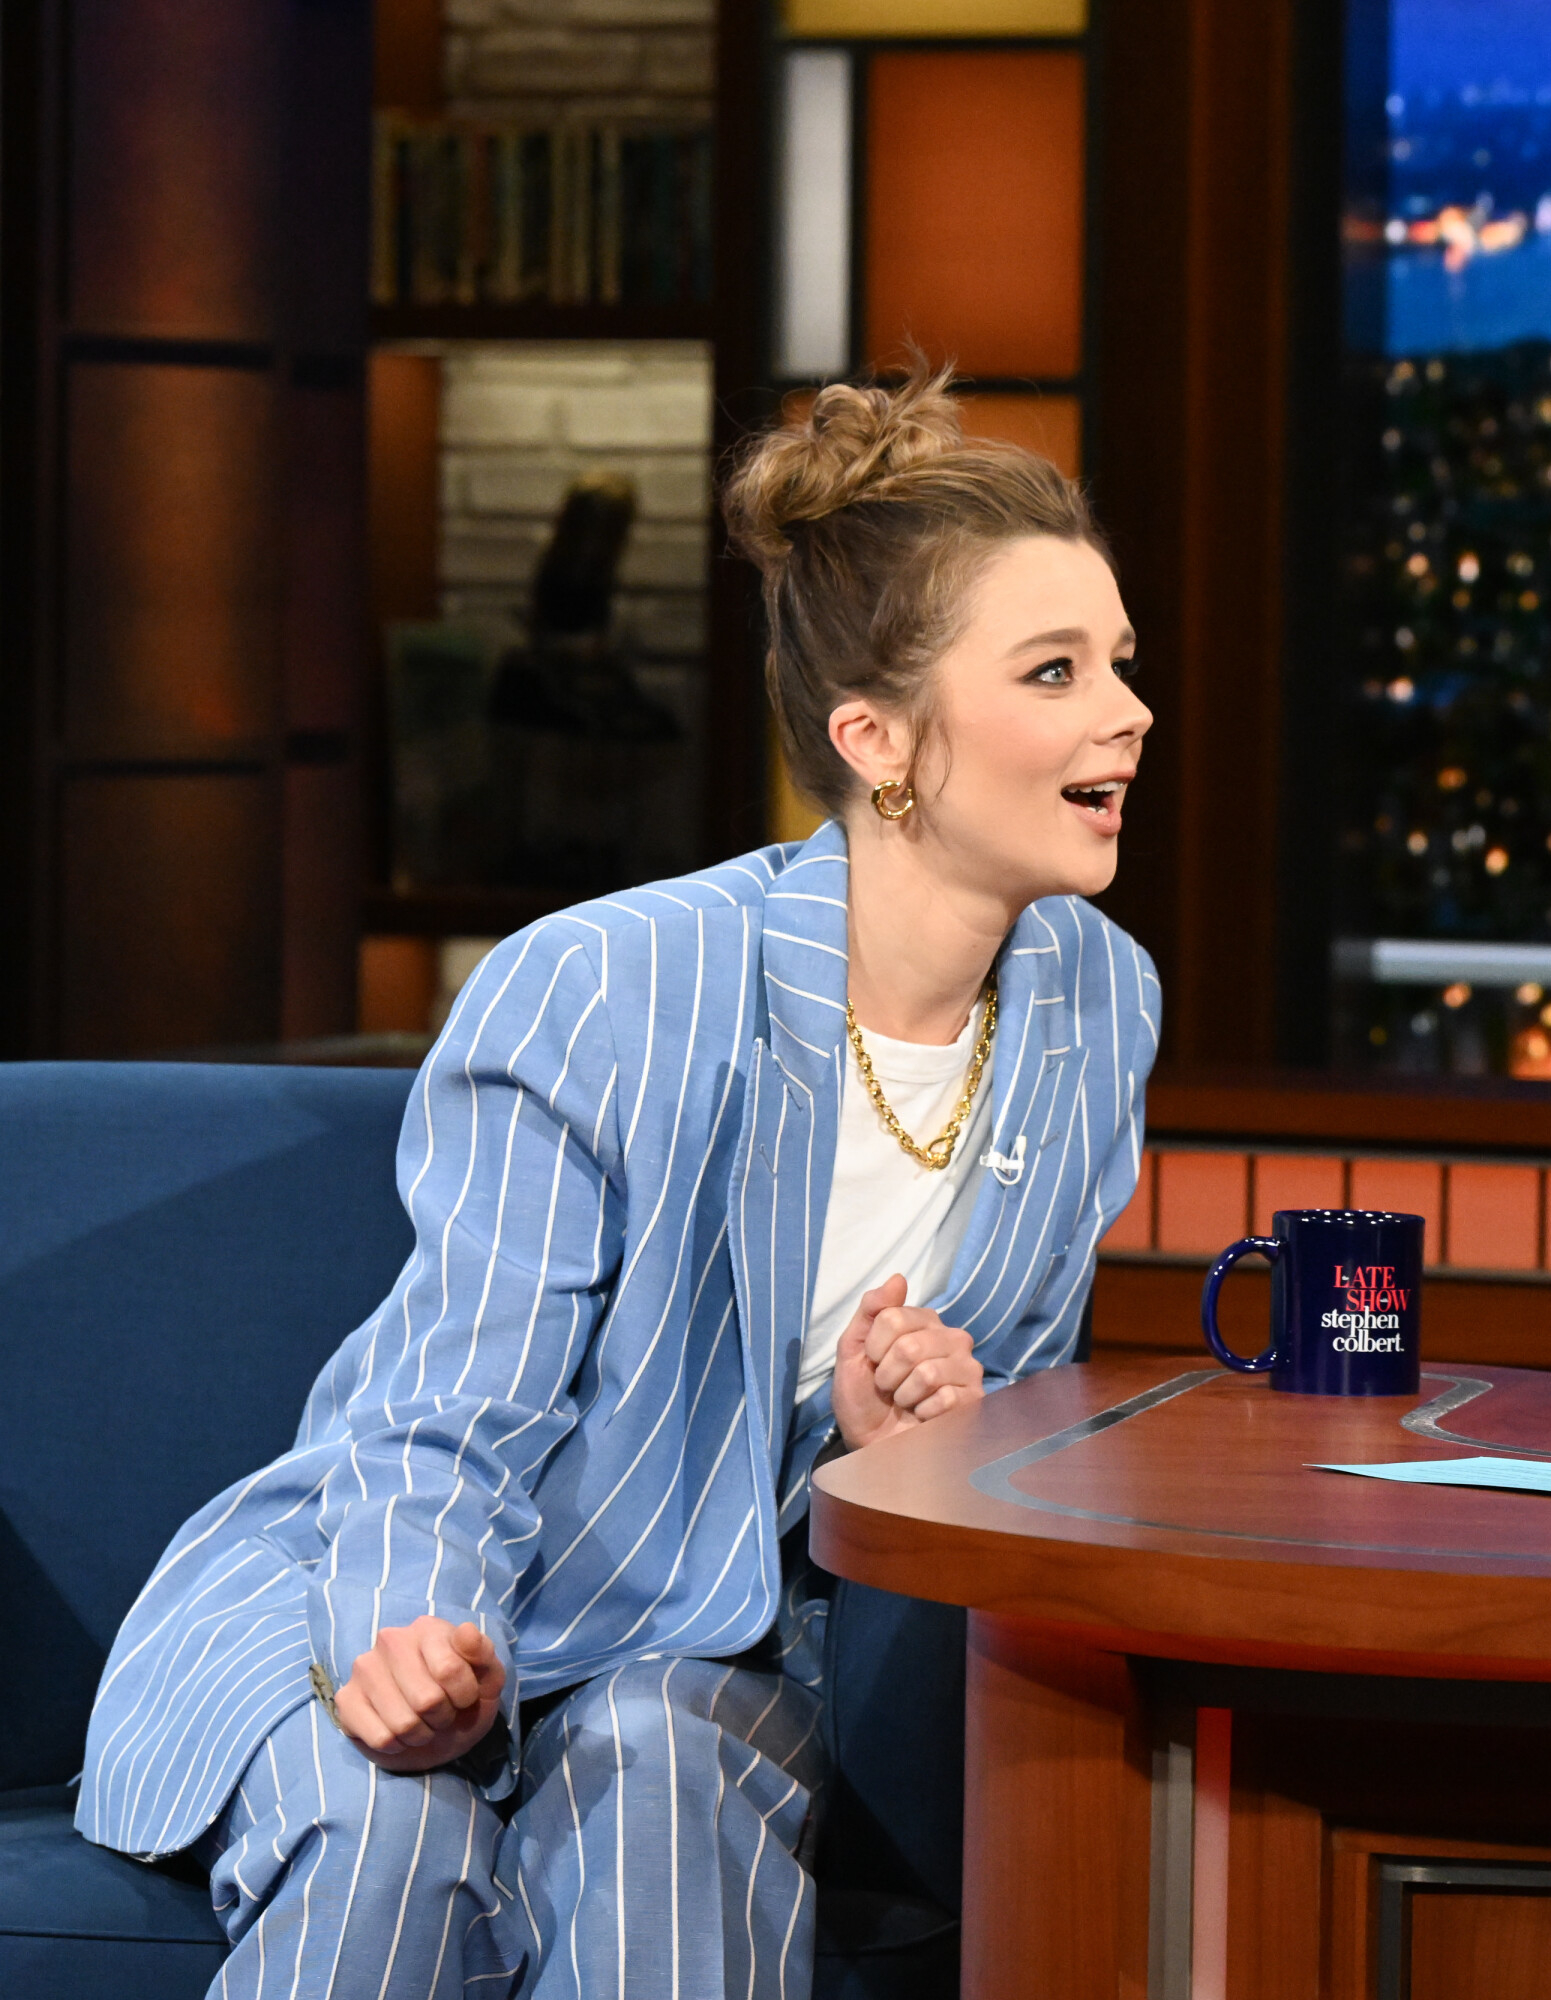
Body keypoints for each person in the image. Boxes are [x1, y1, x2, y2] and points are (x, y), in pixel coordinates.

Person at [76, 370, 1160, 1996]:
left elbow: (1010, 1426)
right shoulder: (615, 982)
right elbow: (445, 1405)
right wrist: (412, 1642)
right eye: (1056, 671)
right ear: (879, 743)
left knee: (666, 1767)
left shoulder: (1096, 1002)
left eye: (1122, 662)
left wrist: (927, 1427)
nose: (1127, 712)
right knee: (393, 1836)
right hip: (403, 1592)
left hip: (696, 1653)